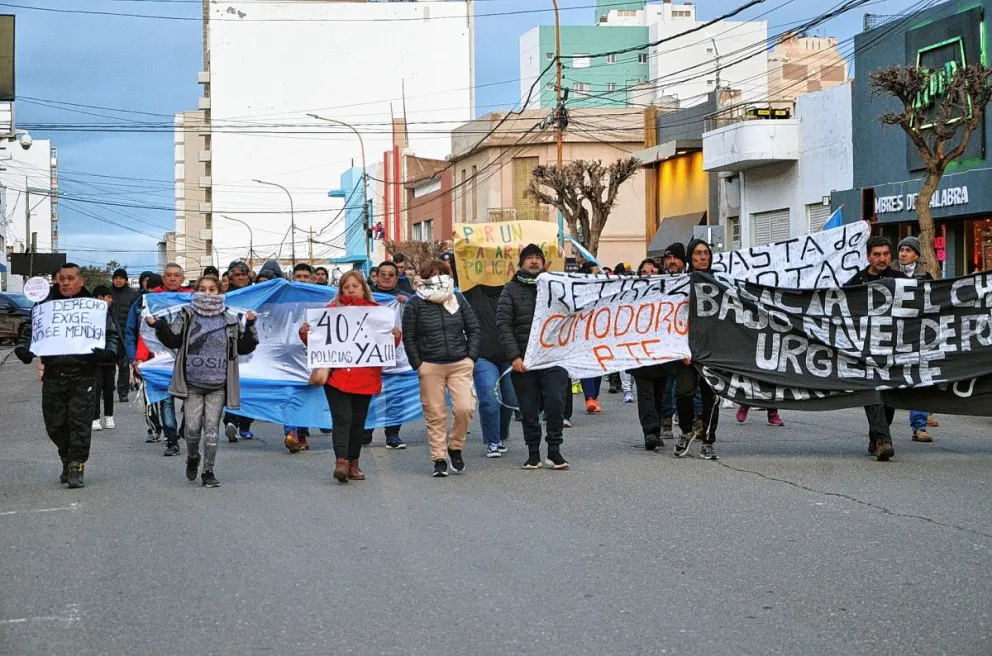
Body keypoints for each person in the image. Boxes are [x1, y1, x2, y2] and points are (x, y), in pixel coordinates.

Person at [14, 263, 120, 489]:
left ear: (80, 281)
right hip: (54, 374)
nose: (65, 282)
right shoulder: (44, 306)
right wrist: (23, 349)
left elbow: (111, 335)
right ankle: (66, 456)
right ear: (56, 281)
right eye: (61, 278)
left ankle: (76, 464)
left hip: (84, 374)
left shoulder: (94, 308)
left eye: (70, 278)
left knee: (79, 423)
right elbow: (31, 331)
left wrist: (108, 352)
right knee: (55, 424)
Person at [148, 274, 258, 488]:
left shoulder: (230, 319)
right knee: (191, 429)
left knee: (211, 430)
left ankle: (208, 470)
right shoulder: (187, 314)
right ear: (195, 291)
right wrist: (158, 325)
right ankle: (192, 457)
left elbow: (244, 347)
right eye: (203, 289)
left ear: (219, 293)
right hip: (192, 384)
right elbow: (173, 339)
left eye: (212, 290)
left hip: (218, 386)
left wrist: (251, 324)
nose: (207, 294)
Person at [300, 271, 399, 483]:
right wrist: (305, 332)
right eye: (346, 287)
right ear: (340, 289)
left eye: (355, 286)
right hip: (337, 377)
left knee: (358, 421)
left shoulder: (377, 313)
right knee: (342, 418)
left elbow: (386, 347)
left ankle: (354, 463)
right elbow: (316, 341)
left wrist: (394, 336)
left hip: (366, 377)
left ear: (364, 288)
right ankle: (341, 462)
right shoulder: (330, 312)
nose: (351, 290)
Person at [403, 259, 480, 477]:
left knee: (466, 408)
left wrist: (471, 356)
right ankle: (439, 457)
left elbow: (473, 328)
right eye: (432, 274)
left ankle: (455, 446)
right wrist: (418, 364)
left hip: (459, 363)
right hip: (430, 364)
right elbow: (408, 337)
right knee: (435, 414)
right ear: (425, 277)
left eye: (442, 273)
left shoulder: (458, 299)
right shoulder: (414, 303)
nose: (437, 277)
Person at [497, 244, 571, 470]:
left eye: (538, 257)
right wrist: (514, 356)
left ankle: (554, 451)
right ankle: (532, 453)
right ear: (521, 263)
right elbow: (503, 325)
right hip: (525, 362)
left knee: (556, 403)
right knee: (528, 409)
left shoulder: (556, 287)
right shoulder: (509, 290)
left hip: (553, 358)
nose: (534, 261)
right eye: (529, 257)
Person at [845, 235, 906, 461]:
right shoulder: (856, 283)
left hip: (894, 350)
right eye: (876, 254)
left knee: (888, 397)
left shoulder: (901, 280)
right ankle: (883, 440)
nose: (882, 259)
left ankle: (876, 436)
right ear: (868, 256)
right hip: (866, 350)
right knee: (873, 391)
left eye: (886, 254)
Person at [459, 257, 518, 458]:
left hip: (509, 355)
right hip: (483, 355)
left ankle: (501, 434)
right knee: (491, 399)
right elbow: (460, 269)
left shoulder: (510, 291)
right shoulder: (473, 292)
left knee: (510, 398)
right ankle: (492, 441)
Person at [629, 257, 684, 451]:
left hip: (662, 355)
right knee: (645, 395)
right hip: (640, 354)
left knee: (660, 395)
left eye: (653, 272)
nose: (649, 275)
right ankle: (650, 432)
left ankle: (657, 427)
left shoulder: (667, 295)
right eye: (645, 272)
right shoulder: (630, 295)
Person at [673, 239, 721, 460]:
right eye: (698, 253)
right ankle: (686, 430)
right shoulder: (680, 284)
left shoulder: (720, 282)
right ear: (690, 257)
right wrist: (681, 347)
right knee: (683, 392)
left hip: (713, 350)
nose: (703, 257)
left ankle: (709, 440)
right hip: (687, 350)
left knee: (710, 396)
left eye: (706, 253)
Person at [892, 235, 936, 443]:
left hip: (917, 337)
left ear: (916, 255)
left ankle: (919, 426)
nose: (903, 254)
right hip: (891, 336)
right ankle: (881, 428)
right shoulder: (889, 276)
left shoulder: (926, 278)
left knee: (920, 379)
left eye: (908, 250)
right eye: (901, 250)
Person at [148, 263, 194, 457]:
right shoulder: (151, 299)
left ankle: (185, 427)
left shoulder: (194, 297)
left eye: (176, 275)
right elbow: (143, 331)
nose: (173, 278)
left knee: (191, 399)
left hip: (190, 357)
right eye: (169, 275)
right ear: (163, 278)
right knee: (166, 401)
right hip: (161, 358)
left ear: (182, 278)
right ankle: (171, 439)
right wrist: (139, 358)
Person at [364, 260, 408, 449]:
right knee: (368, 395)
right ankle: (365, 432)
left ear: (397, 278)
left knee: (395, 397)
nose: (387, 277)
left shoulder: (405, 298)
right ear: (377, 275)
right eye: (384, 274)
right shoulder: (366, 298)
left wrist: (407, 303)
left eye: (392, 274)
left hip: (397, 356)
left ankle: (393, 434)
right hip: (369, 355)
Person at [125, 272, 165, 443]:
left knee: (166, 396)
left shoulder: (167, 302)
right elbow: (130, 333)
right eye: (149, 288)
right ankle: (154, 427)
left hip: (165, 357)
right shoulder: (138, 305)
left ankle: (170, 429)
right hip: (144, 357)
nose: (153, 292)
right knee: (149, 395)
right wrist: (133, 358)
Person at [222, 262, 257, 442]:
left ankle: (245, 425)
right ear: (231, 278)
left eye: (244, 274)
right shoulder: (225, 298)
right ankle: (230, 421)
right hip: (230, 346)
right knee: (230, 385)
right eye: (236, 275)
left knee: (248, 387)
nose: (241, 278)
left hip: (252, 347)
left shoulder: (259, 294)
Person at [283, 263, 316, 453]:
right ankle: (291, 433)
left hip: (312, 356)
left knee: (306, 397)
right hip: (288, 356)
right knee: (290, 395)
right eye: (298, 276)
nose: (302, 280)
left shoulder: (321, 299)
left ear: (312, 279)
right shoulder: (284, 300)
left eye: (305, 276)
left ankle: (301, 433)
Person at [578, 261, 605, 413]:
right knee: (586, 366)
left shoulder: (603, 289)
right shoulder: (579, 289)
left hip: (600, 333)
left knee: (599, 366)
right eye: (596, 273)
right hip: (583, 334)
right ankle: (589, 397)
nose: (599, 276)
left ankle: (594, 396)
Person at [91, 286, 119, 432]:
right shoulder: (88, 313)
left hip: (108, 357)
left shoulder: (110, 313)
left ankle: (109, 415)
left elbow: (114, 334)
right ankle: (95, 418)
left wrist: (112, 351)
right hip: (93, 357)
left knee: (109, 387)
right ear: (99, 298)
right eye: (108, 297)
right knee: (95, 388)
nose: (111, 300)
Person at [109, 268, 138, 403]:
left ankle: (123, 392)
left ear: (126, 280)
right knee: (108, 366)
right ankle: (107, 390)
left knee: (124, 366)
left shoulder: (133, 294)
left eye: (121, 278)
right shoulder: (108, 294)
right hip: (110, 336)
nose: (118, 280)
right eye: (116, 278)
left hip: (127, 335)